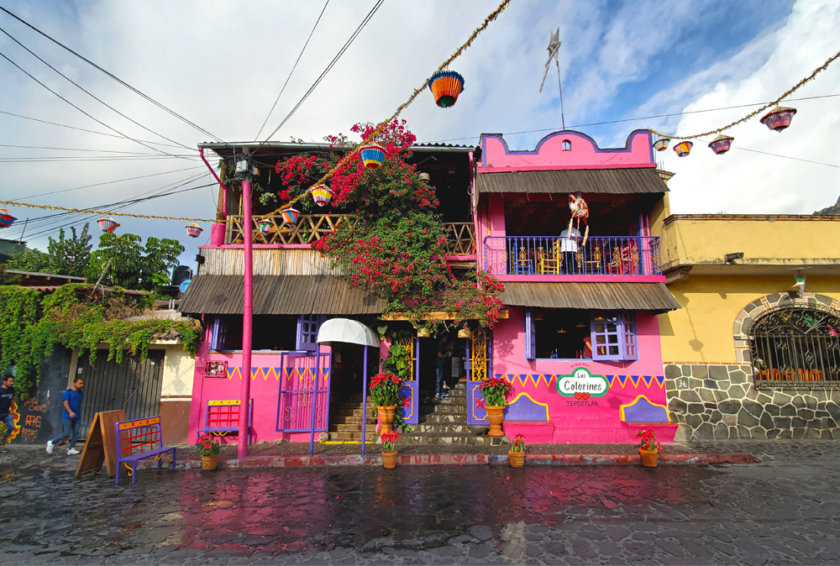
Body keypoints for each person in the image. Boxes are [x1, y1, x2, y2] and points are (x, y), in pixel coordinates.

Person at [46, 377, 85, 456]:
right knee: (66, 433)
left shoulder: (80, 393)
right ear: (74, 383)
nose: (82, 385)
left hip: (77, 416)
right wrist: (70, 412)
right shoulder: (67, 392)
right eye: (80, 383)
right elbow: (65, 403)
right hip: (68, 416)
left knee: (76, 433)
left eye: (82, 383)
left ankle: (71, 448)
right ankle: (52, 442)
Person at [0, 375, 14, 452]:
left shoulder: (11, 390)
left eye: (12, 381)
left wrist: (12, 409)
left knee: (11, 427)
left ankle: (1, 444)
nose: (12, 383)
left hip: (6, 413)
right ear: (5, 382)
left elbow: (11, 399)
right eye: (10, 381)